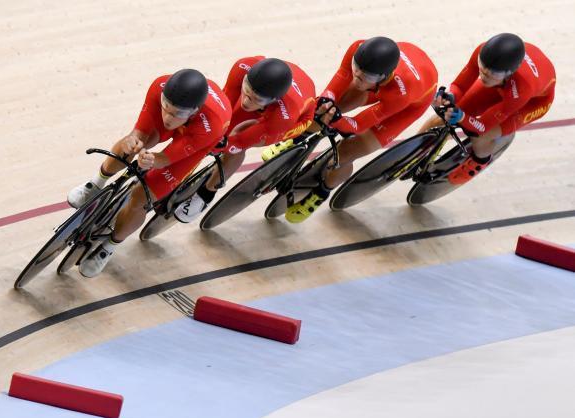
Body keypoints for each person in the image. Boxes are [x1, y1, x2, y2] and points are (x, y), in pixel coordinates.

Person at [67, 68, 231, 277]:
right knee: (132, 143)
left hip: (198, 138)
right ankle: (95, 184)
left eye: (176, 114)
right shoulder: (159, 86)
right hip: (186, 116)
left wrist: (153, 160)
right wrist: (134, 141)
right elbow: (140, 131)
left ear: (193, 111)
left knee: (140, 199)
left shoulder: (210, 126)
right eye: (165, 107)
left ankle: (109, 247)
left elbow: (167, 159)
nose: (168, 117)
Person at [285, 37, 438, 223]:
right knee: (328, 107)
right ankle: (298, 138)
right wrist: (327, 98)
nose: (357, 76)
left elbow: (358, 125)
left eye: (365, 76)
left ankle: (321, 193)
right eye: (355, 68)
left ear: (383, 77)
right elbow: (343, 74)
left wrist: (338, 121)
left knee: (345, 152)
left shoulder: (401, 93)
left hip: (408, 103)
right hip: (385, 78)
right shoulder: (359, 50)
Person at [176, 56, 316, 221]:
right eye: (246, 90)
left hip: (296, 118)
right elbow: (224, 112)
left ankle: (206, 194)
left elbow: (239, 142)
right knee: (222, 127)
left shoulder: (283, 116)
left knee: (240, 143)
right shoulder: (242, 68)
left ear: (273, 100)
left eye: (256, 99)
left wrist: (230, 144)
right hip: (271, 93)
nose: (247, 101)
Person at [419, 33, 556, 185]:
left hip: (531, 103)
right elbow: (459, 85)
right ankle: (414, 151)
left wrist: (462, 117)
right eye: (482, 68)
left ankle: (480, 161)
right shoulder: (484, 54)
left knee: (481, 136)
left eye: (493, 74)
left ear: (510, 73)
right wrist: (450, 96)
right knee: (443, 116)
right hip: (501, 86)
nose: (484, 76)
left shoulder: (522, 88)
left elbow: (482, 127)